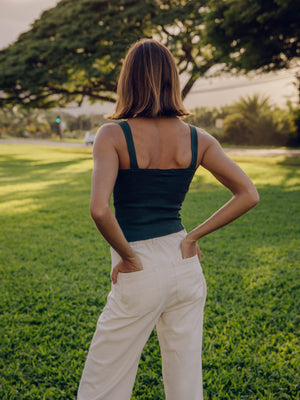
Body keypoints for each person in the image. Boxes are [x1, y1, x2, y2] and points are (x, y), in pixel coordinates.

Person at [77, 39, 259, 400]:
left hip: (140, 266)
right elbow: (248, 194)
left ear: (128, 80)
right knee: (185, 380)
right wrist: (192, 239)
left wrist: (128, 257)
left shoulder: (112, 134)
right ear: (172, 80)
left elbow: (99, 208)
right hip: (184, 262)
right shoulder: (199, 138)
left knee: (104, 382)